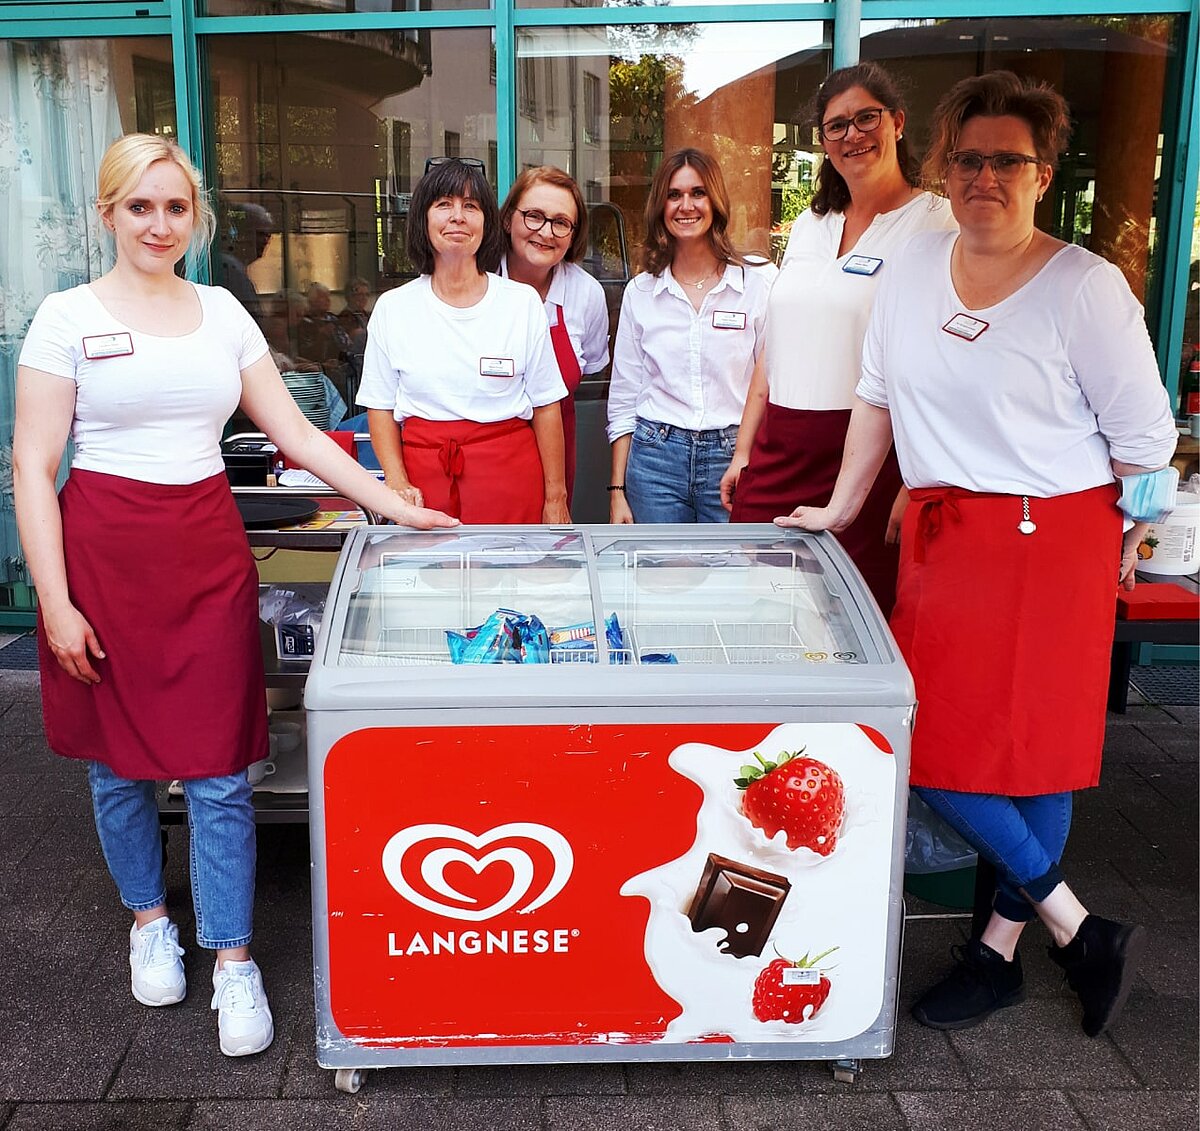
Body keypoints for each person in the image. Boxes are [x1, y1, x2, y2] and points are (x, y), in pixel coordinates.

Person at [12, 134, 457, 1059]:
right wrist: (53, 600)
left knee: (219, 767)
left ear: (195, 215)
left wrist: (390, 505)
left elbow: (293, 430)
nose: (160, 224)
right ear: (108, 214)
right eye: (141, 206)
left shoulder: (222, 314)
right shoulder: (64, 315)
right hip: (102, 554)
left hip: (205, 554)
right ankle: (147, 919)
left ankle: (234, 957)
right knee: (121, 762)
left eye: (176, 207)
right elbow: (32, 462)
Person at [777, 72, 1176, 1037]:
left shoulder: (1087, 287)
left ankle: (997, 952)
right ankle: (1079, 928)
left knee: (1039, 757)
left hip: (1053, 542)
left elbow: (1144, 442)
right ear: (945, 166)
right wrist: (838, 507)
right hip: (947, 541)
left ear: (1044, 173)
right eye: (970, 158)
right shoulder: (915, 268)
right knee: (926, 741)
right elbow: (874, 396)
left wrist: (1128, 526)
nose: (986, 175)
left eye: (1010, 159)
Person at [721, 62, 956, 614]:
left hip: (869, 456)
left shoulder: (937, 224)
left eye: (865, 118)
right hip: (781, 444)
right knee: (755, 604)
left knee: (852, 620)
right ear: (823, 142)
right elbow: (773, 349)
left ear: (897, 123)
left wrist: (912, 483)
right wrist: (743, 452)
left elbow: (939, 365)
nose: (852, 135)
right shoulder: (810, 224)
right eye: (836, 125)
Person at [358, 157, 569, 524]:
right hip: (423, 487)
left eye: (470, 206)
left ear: (487, 223)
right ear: (423, 221)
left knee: (513, 579)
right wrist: (396, 483)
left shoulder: (520, 304)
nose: (457, 217)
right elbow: (379, 407)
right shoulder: (394, 309)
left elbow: (547, 406)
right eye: (443, 205)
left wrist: (556, 498)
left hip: (512, 482)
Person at [607, 148, 772, 524]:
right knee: (659, 580)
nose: (686, 206)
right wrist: (617, 491)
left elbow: (770, 383)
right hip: (655, 462)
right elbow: (623, 399)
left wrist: (747, 454)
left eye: (698, 193)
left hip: (734, 457)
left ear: (715, 201)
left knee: (733, 577)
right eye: (674, 195)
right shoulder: (641, 292)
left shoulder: (757, 284)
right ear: (660, 206)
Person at [499, 167, 610, 508]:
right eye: (533, 216)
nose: (546, 232)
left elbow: (591, 364)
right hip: (488, 454)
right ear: (508, 220)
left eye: (561, 222)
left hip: (559, 452)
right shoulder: (478, 282)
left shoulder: (587, 294)